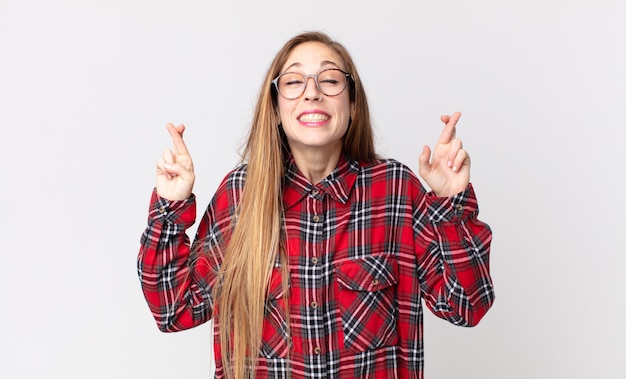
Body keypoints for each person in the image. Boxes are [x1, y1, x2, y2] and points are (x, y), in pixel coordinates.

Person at [137, 31, 495, 379]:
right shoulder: (239, 196)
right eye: (294, 82)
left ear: (352, 104)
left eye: (329, 80)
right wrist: (170, 206)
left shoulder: (395, 191)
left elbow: (467, 305)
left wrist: (451, 204)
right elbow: (173, 310)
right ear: (275, 109)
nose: (312, 93)